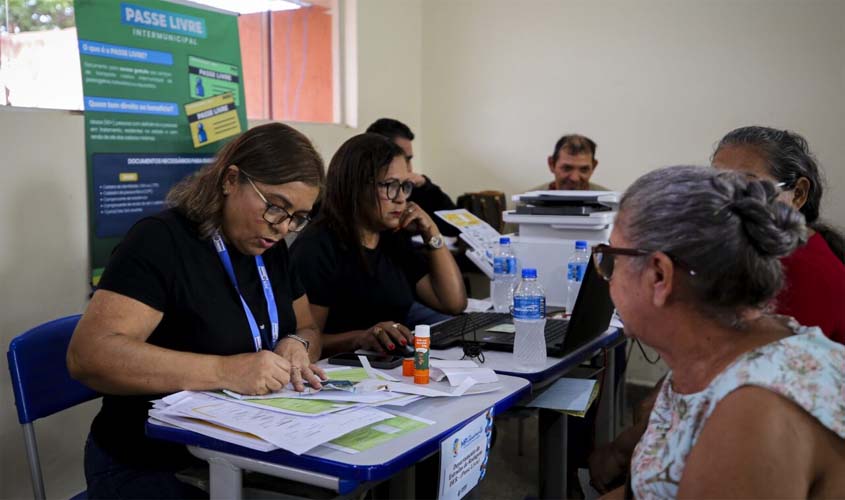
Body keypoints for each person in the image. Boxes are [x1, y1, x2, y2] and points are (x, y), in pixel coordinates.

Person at [67, 123, 327, 499]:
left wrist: (295, 343)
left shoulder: (272, 250)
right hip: (151, 461)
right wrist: (225, 371)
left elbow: (309, 328)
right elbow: (88, 355)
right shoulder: (161, 242)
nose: (283, 228)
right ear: (231, 179)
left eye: (298, 217)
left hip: (245, 452)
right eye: (275, 207)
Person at [588, 126, 845, 493]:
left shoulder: (754, 415)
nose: (606, 275)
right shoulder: (713, 358)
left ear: (660, 274)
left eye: (611, 258)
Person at [290, 133, 467, 356]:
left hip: (391, 368)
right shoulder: (318, 247)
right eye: (390, 185)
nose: (401, 198)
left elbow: (452, 303)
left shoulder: (392, 237)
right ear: (356, 186)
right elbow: (304, 341)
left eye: (405, 186)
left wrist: (431, 233)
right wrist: (360, 338)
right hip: (340, 372)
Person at [713, 126, 845, 343]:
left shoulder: (802, 271)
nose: (727, 200)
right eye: (719, 185)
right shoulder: (758, 255)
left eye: (747, 185)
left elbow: (763, 366)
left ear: (799, 194)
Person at [366, 118, 459, 236]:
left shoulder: (412, 188)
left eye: (409, 159)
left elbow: (455, 228)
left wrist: (426, 186)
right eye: (404, 159)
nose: (409, 168)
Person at [536, 133, 608, 191]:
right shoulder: (526, 204)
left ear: (594, 167)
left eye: (584, 170)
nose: (575, 178)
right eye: (567, 168)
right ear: (551, 164)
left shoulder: (613, 204)